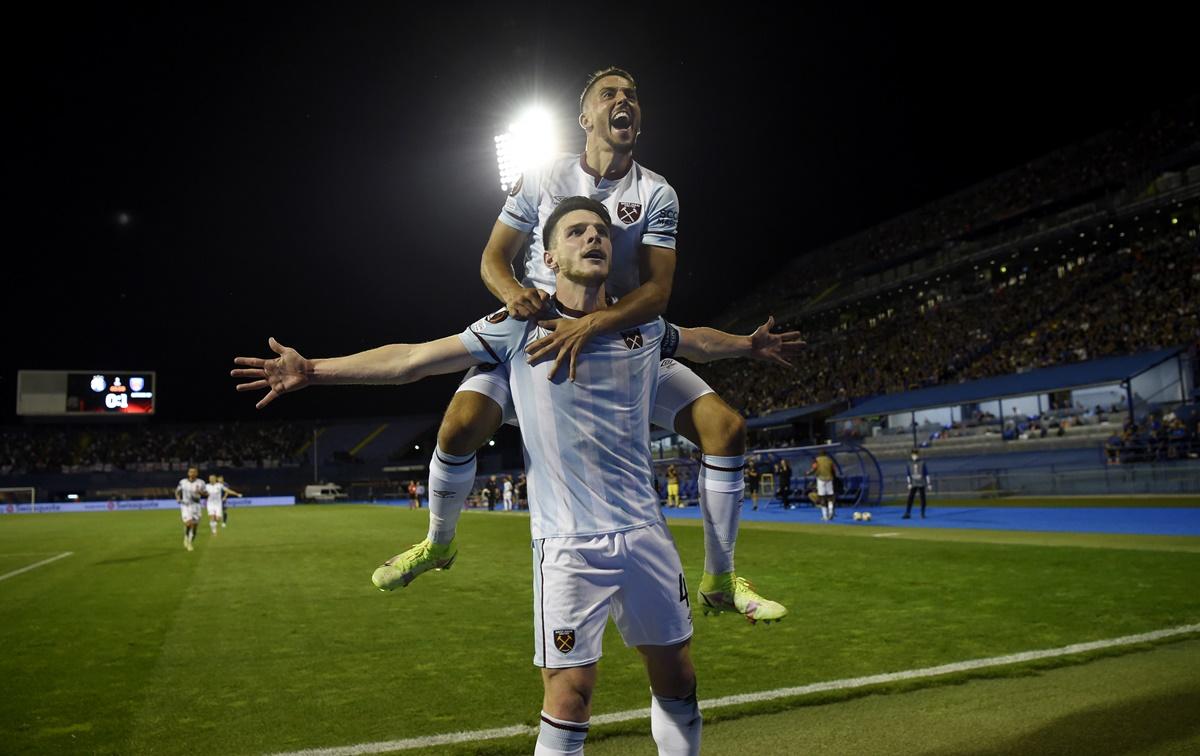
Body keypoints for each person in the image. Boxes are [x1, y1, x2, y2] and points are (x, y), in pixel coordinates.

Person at [231, 198, 795, 754]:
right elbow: (411, 361)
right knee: (571, 694)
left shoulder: (641, 326)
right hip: (568, 545)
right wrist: (315, 371)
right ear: (549, 258)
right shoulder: (519, 325)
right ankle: (436, 542)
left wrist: (747, 345)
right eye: (576, 232)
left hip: (648, 534)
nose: (594, 238)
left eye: (600, 230)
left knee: (677, 678)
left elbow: (695, 339)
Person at [407, 66, 795, 622]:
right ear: (585, 117)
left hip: (620, 341)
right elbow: (493, 259)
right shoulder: (544, 173)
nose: (625, 101)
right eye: (610, 94)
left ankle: (720, 577)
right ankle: (439, 541)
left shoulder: (657, 192)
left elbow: (658, 293)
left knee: (727, 429)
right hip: (537, 339)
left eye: (633, 95)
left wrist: (592, 325)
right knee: (459, 424)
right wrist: (516, 294)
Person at [176, 467, 206, 551]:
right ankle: (187, 539)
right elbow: (177, 491)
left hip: (196, 506)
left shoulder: (201, 482)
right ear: (188, 473)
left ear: (197, 473)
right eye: (190, 472)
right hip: (185, 505)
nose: (192, 473)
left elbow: (206, 494)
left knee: (195, 527)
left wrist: (201, 492)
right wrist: (178, 498)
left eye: (194, 472)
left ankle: (190, 541)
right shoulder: (183, 482)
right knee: (189, 523)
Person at [809, 449, 837, 521]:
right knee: (830, 497)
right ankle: (831, 512)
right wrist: (834, 477)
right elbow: (833, 470)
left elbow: (814, 468)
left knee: (822, 498)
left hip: (821, 479)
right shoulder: (829, 460)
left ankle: (825, 516)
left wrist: (808, 473)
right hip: (829, 479)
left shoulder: (817, 460)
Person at [903, 450, 932, 519]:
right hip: (913, 483)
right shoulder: (909, 463)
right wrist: (909, 483)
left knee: (922, 498)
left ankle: (922, 513)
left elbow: (926, 474)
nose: (914, 456)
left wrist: (929, 483)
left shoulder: (922, 463)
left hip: (921, 483)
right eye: (913, 454)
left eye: (915, 454)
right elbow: (908, 474)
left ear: (918, 455)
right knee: (910, 498)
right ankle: (908, 512)